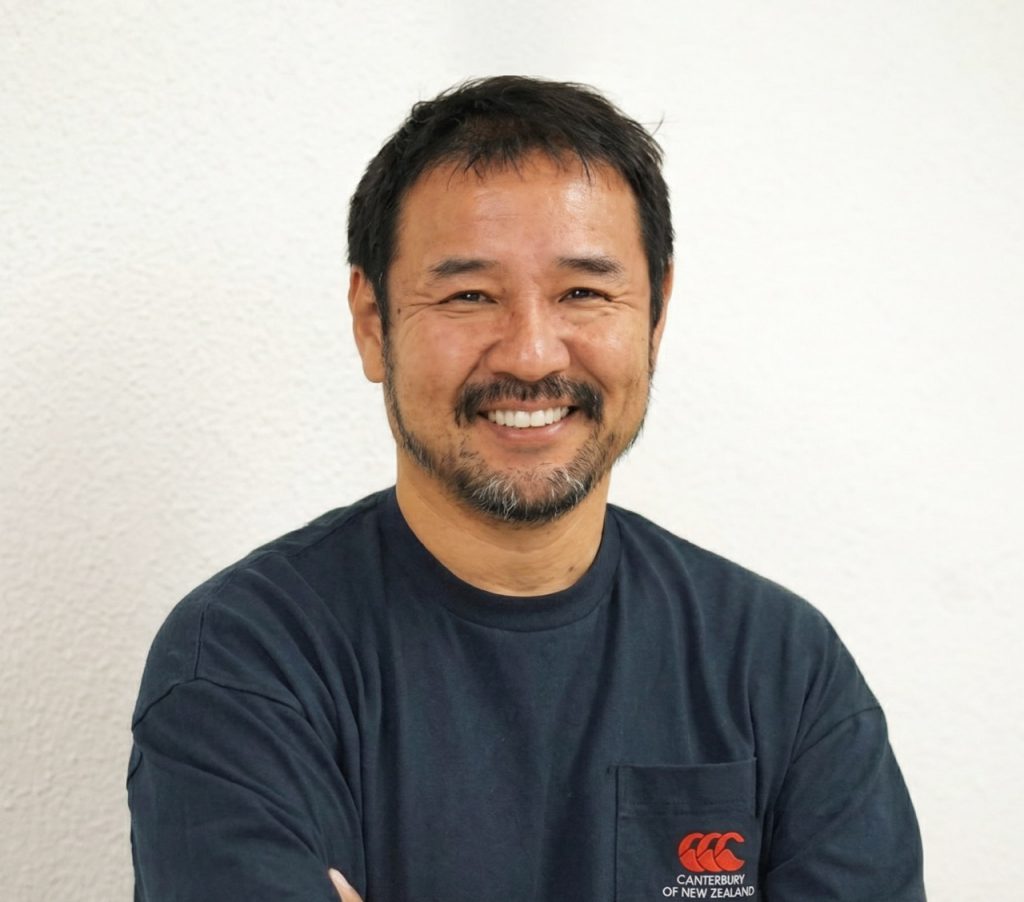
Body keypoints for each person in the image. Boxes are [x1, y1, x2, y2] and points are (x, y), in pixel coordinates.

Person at [128, 76, 926, 902]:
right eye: (470, 295)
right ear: (372, 323)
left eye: (583, 293)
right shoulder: (246, 663)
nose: (533, 354)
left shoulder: (780, 667)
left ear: (655, 317)